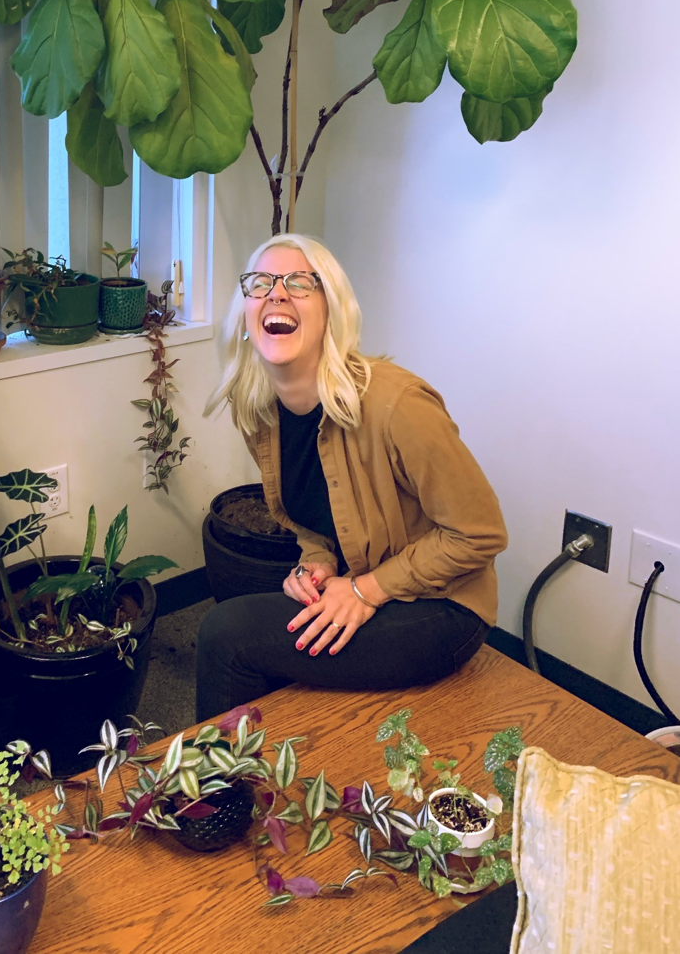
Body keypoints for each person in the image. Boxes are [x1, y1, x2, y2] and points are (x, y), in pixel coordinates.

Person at [196, 233, 507, 721]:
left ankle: (214, 797)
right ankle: (263, 782)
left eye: (299, 283)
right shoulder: (257, 408)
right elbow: (313, 520)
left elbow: (480, 533)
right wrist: (317, 562)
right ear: (244, 315)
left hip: (443, 608)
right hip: (357, 579)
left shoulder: (398, 404)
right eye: (261, 283)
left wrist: (368, 590)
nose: (277, 294)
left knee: (227, 635)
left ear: (332, 312)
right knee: (254, 636)